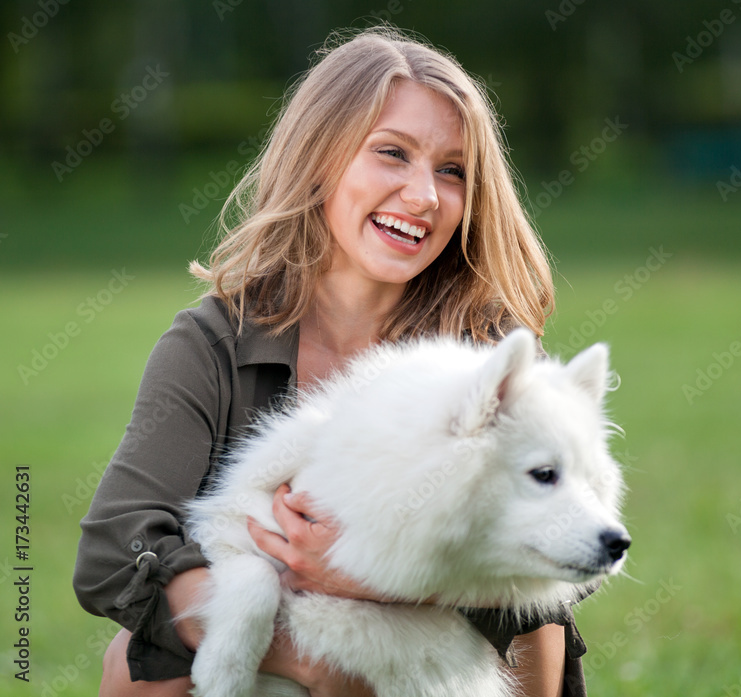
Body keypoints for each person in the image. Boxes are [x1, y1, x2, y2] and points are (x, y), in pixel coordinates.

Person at [73, 26, 592, 697]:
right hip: (259, 641)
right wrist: (286, 641)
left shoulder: (488, 354)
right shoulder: (210, 343)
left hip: (435, 664)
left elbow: (544, 572)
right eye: (392, 153)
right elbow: (113, 549)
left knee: (526, 620)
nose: (424, 196)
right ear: (320, 158)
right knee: (135, 661)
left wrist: (363, 578)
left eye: (451, 170)